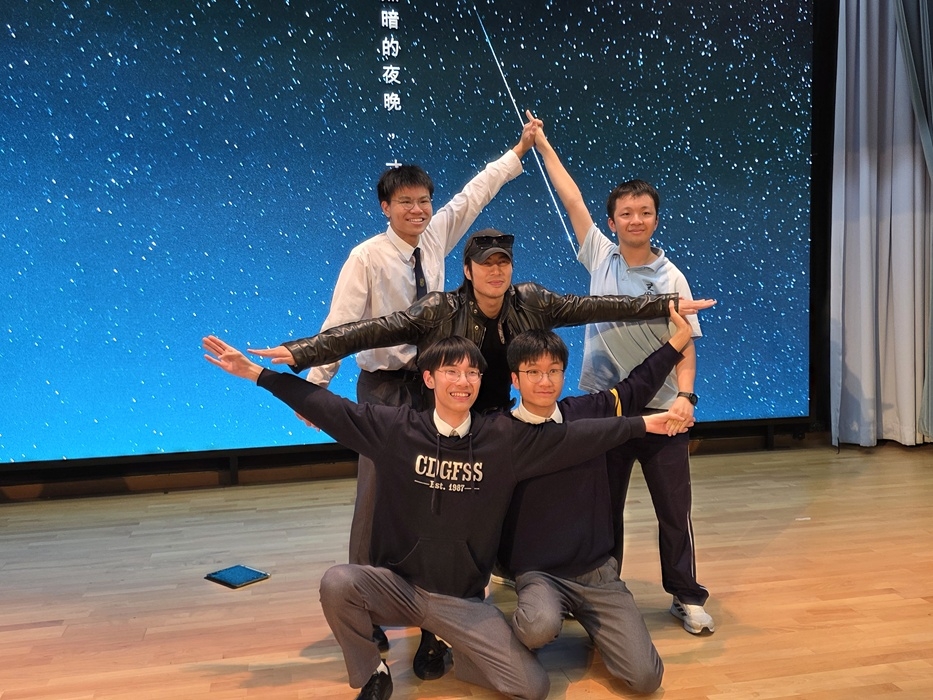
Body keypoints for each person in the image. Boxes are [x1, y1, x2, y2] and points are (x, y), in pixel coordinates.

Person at [202, 334, 693, 700]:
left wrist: (643, 423)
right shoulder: (394, 430)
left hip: (461, 600)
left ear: (482, 382)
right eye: (451, 372)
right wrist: (259, 375)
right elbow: (328, 407)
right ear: (429, 379)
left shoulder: (502, 439)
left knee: (534, 687)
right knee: (338, 582)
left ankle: (460, 648)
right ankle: (372, 671)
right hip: (398, 586)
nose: (463, 381)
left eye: (472, 374)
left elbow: (577, 438)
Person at [309, 116, 542, 676]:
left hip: (434, 387)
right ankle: (366, 611)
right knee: (375, 498)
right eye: (406, 202)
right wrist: (316, 386)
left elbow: (475, 194)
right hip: (384, 389)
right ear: (385, 208)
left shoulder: (437, 236)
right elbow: (342, 325)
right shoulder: (366, 257)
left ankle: (436, 619)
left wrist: (518, 151)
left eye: (423, 201)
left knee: (440, 496)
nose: (418, 210)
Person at [532, 114, 715, 634]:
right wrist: (542, 144)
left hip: (661, 411)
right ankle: (600, 592)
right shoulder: (600, 256)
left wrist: (686, 399)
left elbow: (685, 346)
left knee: (673, 509)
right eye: (626, 213)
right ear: (612, 222)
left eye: (645, 213)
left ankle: (685, 595)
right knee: (601, 507)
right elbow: (571, 199)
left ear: (656, 219)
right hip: (604, 408)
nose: (636, 220)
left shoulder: (672, 276)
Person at [250, 230, 716, 418]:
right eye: (486, 264)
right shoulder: (439, 308)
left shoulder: (532, 300)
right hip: (445, 416)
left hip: (501, 416)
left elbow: (599, 306)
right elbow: (369, 331)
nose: (496, 271)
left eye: (503, 263)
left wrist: (667, 302)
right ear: (468, 271)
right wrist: (304, 350)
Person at [499, 309, 690, 693]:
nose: (545, 381)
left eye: (553, 371)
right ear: (515, 379)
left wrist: (679, 339)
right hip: (540, 573)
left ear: (563, 374)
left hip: (598, 574)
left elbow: (637, 385)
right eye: (533, 372)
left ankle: (597, 623)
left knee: (646, 678)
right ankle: (517, 629)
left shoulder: (588, 412)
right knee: (537, 627)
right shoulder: (499, 432)